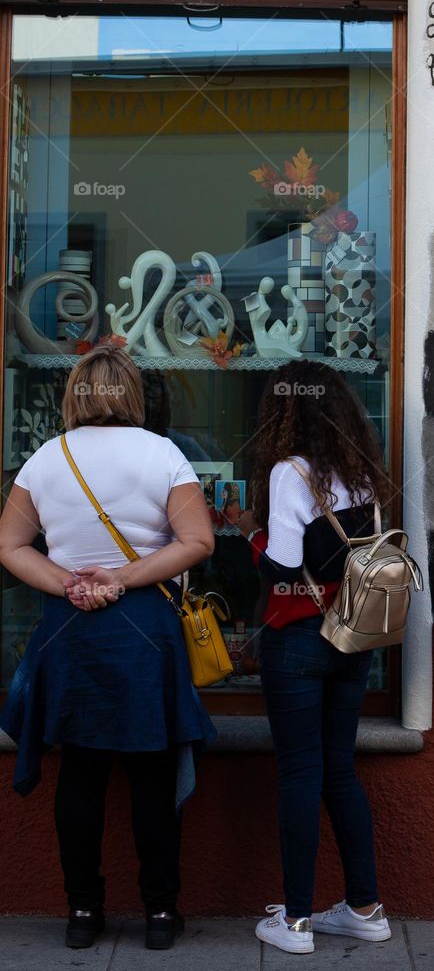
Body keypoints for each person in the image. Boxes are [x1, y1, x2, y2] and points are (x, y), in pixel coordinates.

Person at [0, 345, 216, 951]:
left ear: (75, 394)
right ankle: (161, 915)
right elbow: (198, 541)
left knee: (81, 774)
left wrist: (69, 583)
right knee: (152, 773)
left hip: (69, 630)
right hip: (144, 625)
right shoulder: (163, 453)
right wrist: (121, 578)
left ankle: (83, 913)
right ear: (130, 394)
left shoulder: (45, 458)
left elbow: (11, 546)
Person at [240, 360, 392, 956]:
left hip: (298, 640)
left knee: (300, 772)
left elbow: (279, 568)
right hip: (351, 640)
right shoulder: (364, 473)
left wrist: (247, 529)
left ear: (284, 412)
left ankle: (296, 921)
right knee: (339, 770)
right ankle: (365, 907)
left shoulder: (288, 473)